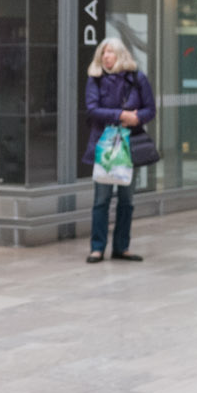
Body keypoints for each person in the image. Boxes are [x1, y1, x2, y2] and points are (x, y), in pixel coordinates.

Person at [82, 36, 156, 264]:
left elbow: (150, 109)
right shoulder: (95, 79)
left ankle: (121, 247)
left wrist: (136, 118)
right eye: (103, 53)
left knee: (127, 198)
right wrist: (120, 115)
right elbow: (92, 109)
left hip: (128, 144)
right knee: (101, 199)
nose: (106, 57)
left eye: (110, 52)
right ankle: (97, 248)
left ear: (120, 54)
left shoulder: (137, 78)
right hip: (105, 145)